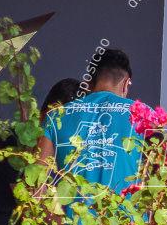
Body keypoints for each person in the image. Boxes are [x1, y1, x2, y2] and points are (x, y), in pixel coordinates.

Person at [0, 78, 80, 225]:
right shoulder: (14, 143)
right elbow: (35, 202)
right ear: (51, 113)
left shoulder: (61, 150)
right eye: (67, 122)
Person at [37, 50, 141, 212]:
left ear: (89, 83)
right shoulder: (144, 116)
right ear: (126, 83)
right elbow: (163, 184)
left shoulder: (56, 117)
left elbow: (36, 185)